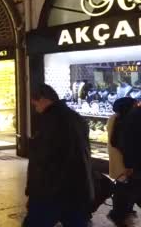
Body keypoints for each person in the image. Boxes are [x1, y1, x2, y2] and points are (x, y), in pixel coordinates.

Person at [24, 84, 94, 227]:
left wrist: (33, 192)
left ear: (43, 99)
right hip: (77, 187)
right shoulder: (75, 117)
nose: (35, 108)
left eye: (35, 103)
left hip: (51, 189)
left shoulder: (50, 121)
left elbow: (44, 159)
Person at [107, 97, 137, 225]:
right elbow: (129, 145)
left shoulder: (114, 119)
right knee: (125, 190)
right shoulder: (128, 121)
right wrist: (130, 164)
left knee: (123, 188)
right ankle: (120, 215)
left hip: (118, 162)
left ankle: (121, 214)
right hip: (126, 163)